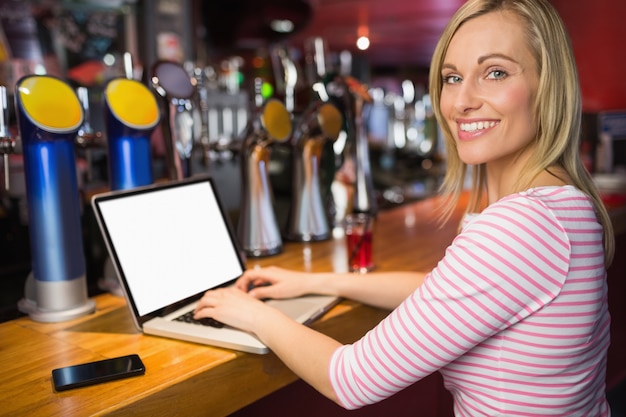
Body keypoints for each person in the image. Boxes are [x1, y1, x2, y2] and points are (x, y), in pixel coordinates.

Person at [194, 0, 616, 414]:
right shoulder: (564, 204)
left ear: (548, 85)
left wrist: (249, 313)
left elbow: (350, 380)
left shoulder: (520, 227)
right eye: (452, 77)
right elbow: (445, 292)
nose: (461, 101)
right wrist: (321, 283)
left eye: (495, 72)